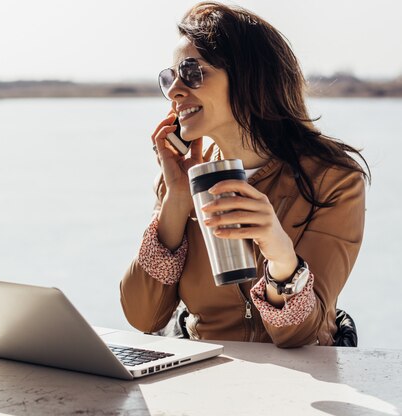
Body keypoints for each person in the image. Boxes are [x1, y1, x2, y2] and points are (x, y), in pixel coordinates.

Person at [120, 2, 370, 347]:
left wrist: (281, 254)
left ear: (250, 77)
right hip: (205, 376)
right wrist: (175, 201)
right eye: (170, 77)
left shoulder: (334, 180)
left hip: (304, 386)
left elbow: (299, 335)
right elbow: (143, 317)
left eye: (192, 72)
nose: (175, 90)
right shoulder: (178, 178)